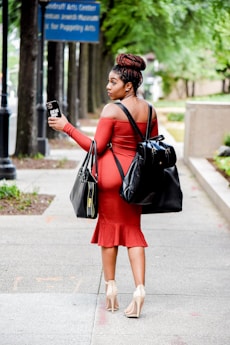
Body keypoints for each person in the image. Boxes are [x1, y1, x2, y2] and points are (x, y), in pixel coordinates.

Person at [48, 53, 158, 318]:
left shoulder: (112, 110)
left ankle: (111, 290)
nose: (108, 87)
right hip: (138, 180)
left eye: (112, 82)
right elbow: (151, 146)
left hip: (110, 177)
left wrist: (67, 127)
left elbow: (95, 148)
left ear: (128, 85)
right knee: (133, 232)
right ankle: (140, 289)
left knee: (109, 233)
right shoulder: (150, 110)